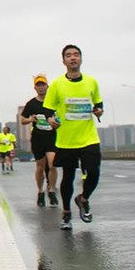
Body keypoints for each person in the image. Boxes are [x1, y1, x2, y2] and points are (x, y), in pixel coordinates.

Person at [44, 44, 103, 230]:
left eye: (76, 54)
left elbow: (99, 103)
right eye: (68, 55)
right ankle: (67, 212)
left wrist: (99, 111)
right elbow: (48, 109)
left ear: (81, 59)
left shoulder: (91, 82)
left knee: (93, 172)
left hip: (89, 138)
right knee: (68, 177)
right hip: (66, 140)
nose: (73, 58)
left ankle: (83, 198)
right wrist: (51, 120)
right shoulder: (56, 85)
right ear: (63, 61)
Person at [21, 74, 59, 207]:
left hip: (52, 137)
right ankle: (40, 191)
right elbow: (23, 120)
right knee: (40, 167)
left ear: (47, 86)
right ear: (35, 88)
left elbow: (61, 117)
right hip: (38, 138)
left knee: (53, 164)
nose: (41, 87)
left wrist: (56, 122)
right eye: (38, 85)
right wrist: (30, 119)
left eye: (43, 85)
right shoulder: (31, 104)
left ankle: (52, 190)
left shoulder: (53, 103)